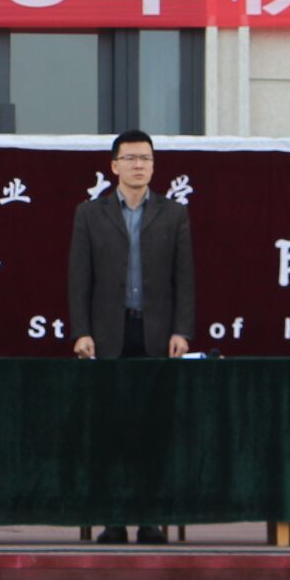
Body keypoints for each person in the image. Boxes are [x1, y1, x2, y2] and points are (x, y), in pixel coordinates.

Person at [68, 129, 196, 545]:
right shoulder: (91, 214)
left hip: (156, 335)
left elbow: (184, 279)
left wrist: (182, 330)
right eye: (131, 158)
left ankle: (150, 520)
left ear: (154, 166)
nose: (138, 165)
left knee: (153, 431)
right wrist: (81, 331)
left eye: (146, 158)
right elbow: (79, 279)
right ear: (114, 165)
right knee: (112, 432)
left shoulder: (173, 214)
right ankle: (114, 520)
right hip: (109, 334)